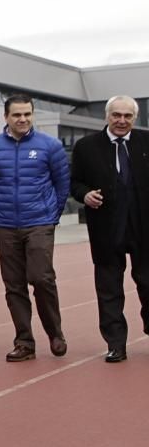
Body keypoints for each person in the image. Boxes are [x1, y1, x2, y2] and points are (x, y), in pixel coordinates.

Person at [0, 93, 70, 362]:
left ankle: (55, 332)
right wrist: (4, 209)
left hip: (40, 223)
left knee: (42, 278)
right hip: (6, 225)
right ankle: (24, 342)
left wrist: (51, 215)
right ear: (6, 117)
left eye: (27, 114)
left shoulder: (50, 146)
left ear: (32, 115)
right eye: (17, 114)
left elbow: (62, 184)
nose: (23, 119)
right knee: (14, 285)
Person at [70, 95, 149, 363]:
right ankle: (116, 343)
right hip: (106, 230)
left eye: (127, 116)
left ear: (135, 118)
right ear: (106, 116)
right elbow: (75, 183)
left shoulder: (146, 142)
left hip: (144, 229)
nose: (121, 121)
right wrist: (85, 194)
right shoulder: (85, 147)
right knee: (108, 289)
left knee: (148, 284)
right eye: (116, 115)